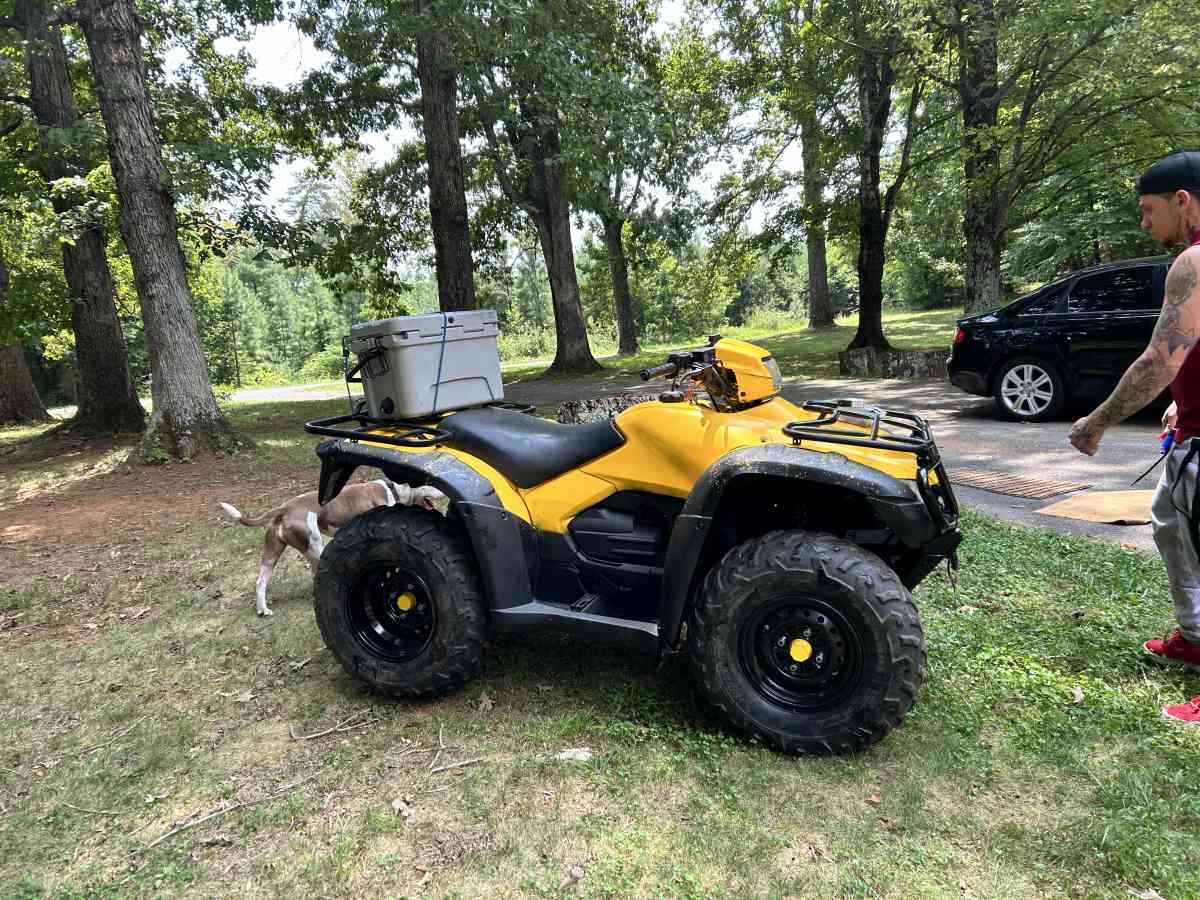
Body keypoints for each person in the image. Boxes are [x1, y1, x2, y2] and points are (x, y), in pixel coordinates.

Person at [1068, 150, 1200, 724]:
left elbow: (1160, 358)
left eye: (1149, 211)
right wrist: (1183, 404)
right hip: (1192, 426)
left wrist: (1097, 421)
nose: (1144, 223)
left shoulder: (1193, 263)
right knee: (1171, 523)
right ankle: (1194, 638)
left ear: (1183, 201)